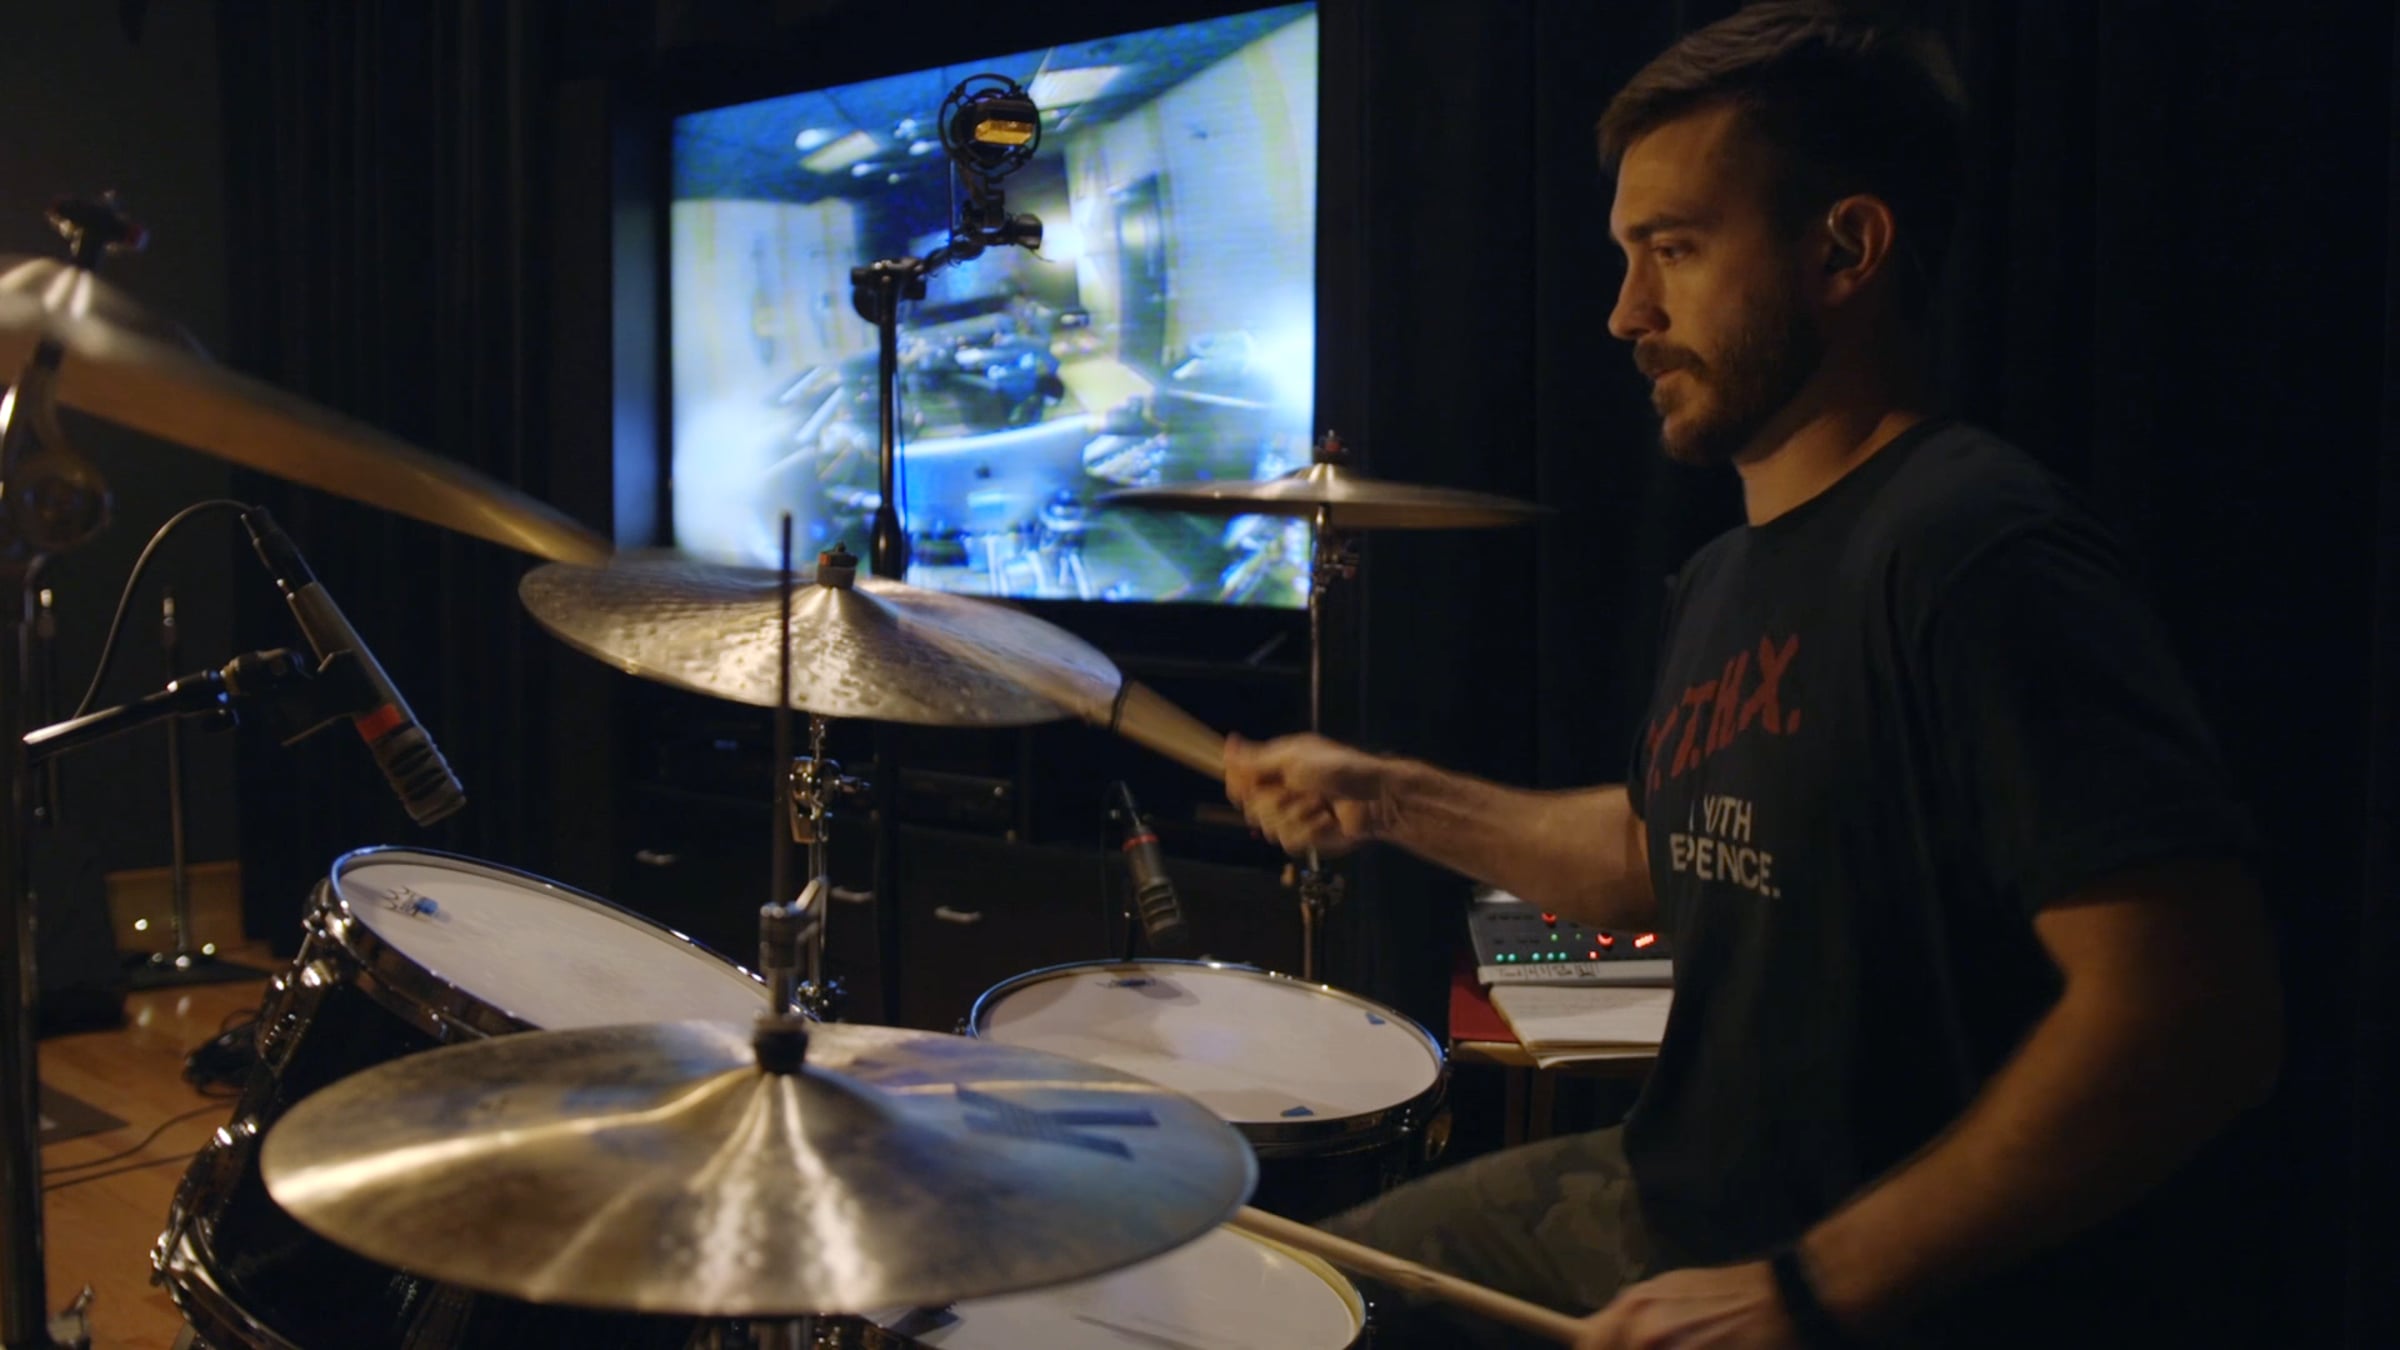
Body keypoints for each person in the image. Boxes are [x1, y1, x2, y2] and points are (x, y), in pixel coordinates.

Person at [1223, 4, 2283, 1347]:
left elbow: (2193, 1010)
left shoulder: (1976, 552)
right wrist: (1389, 796)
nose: (1625, 314)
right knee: (1282, 1297)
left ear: (1845, 248)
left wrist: (1814, 1284)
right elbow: (1654, 850)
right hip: (1670, 1202)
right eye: (1627, 258)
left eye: (1673, 250)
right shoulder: (1728, 575)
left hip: (1858, 1279)